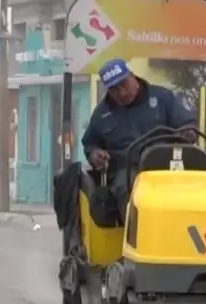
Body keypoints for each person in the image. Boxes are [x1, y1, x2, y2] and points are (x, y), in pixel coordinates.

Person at [81, 58, 197, 216]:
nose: (121, 92)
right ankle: (138, 237)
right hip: (127, 170)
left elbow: (188, 125)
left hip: (168, 166)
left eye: (124, 84)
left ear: (133, 77)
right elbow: (90, 144)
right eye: (114, 89)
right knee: (132, 192)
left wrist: (187, 133)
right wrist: (94, 154)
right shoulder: (102, 115)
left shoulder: (163, 98)